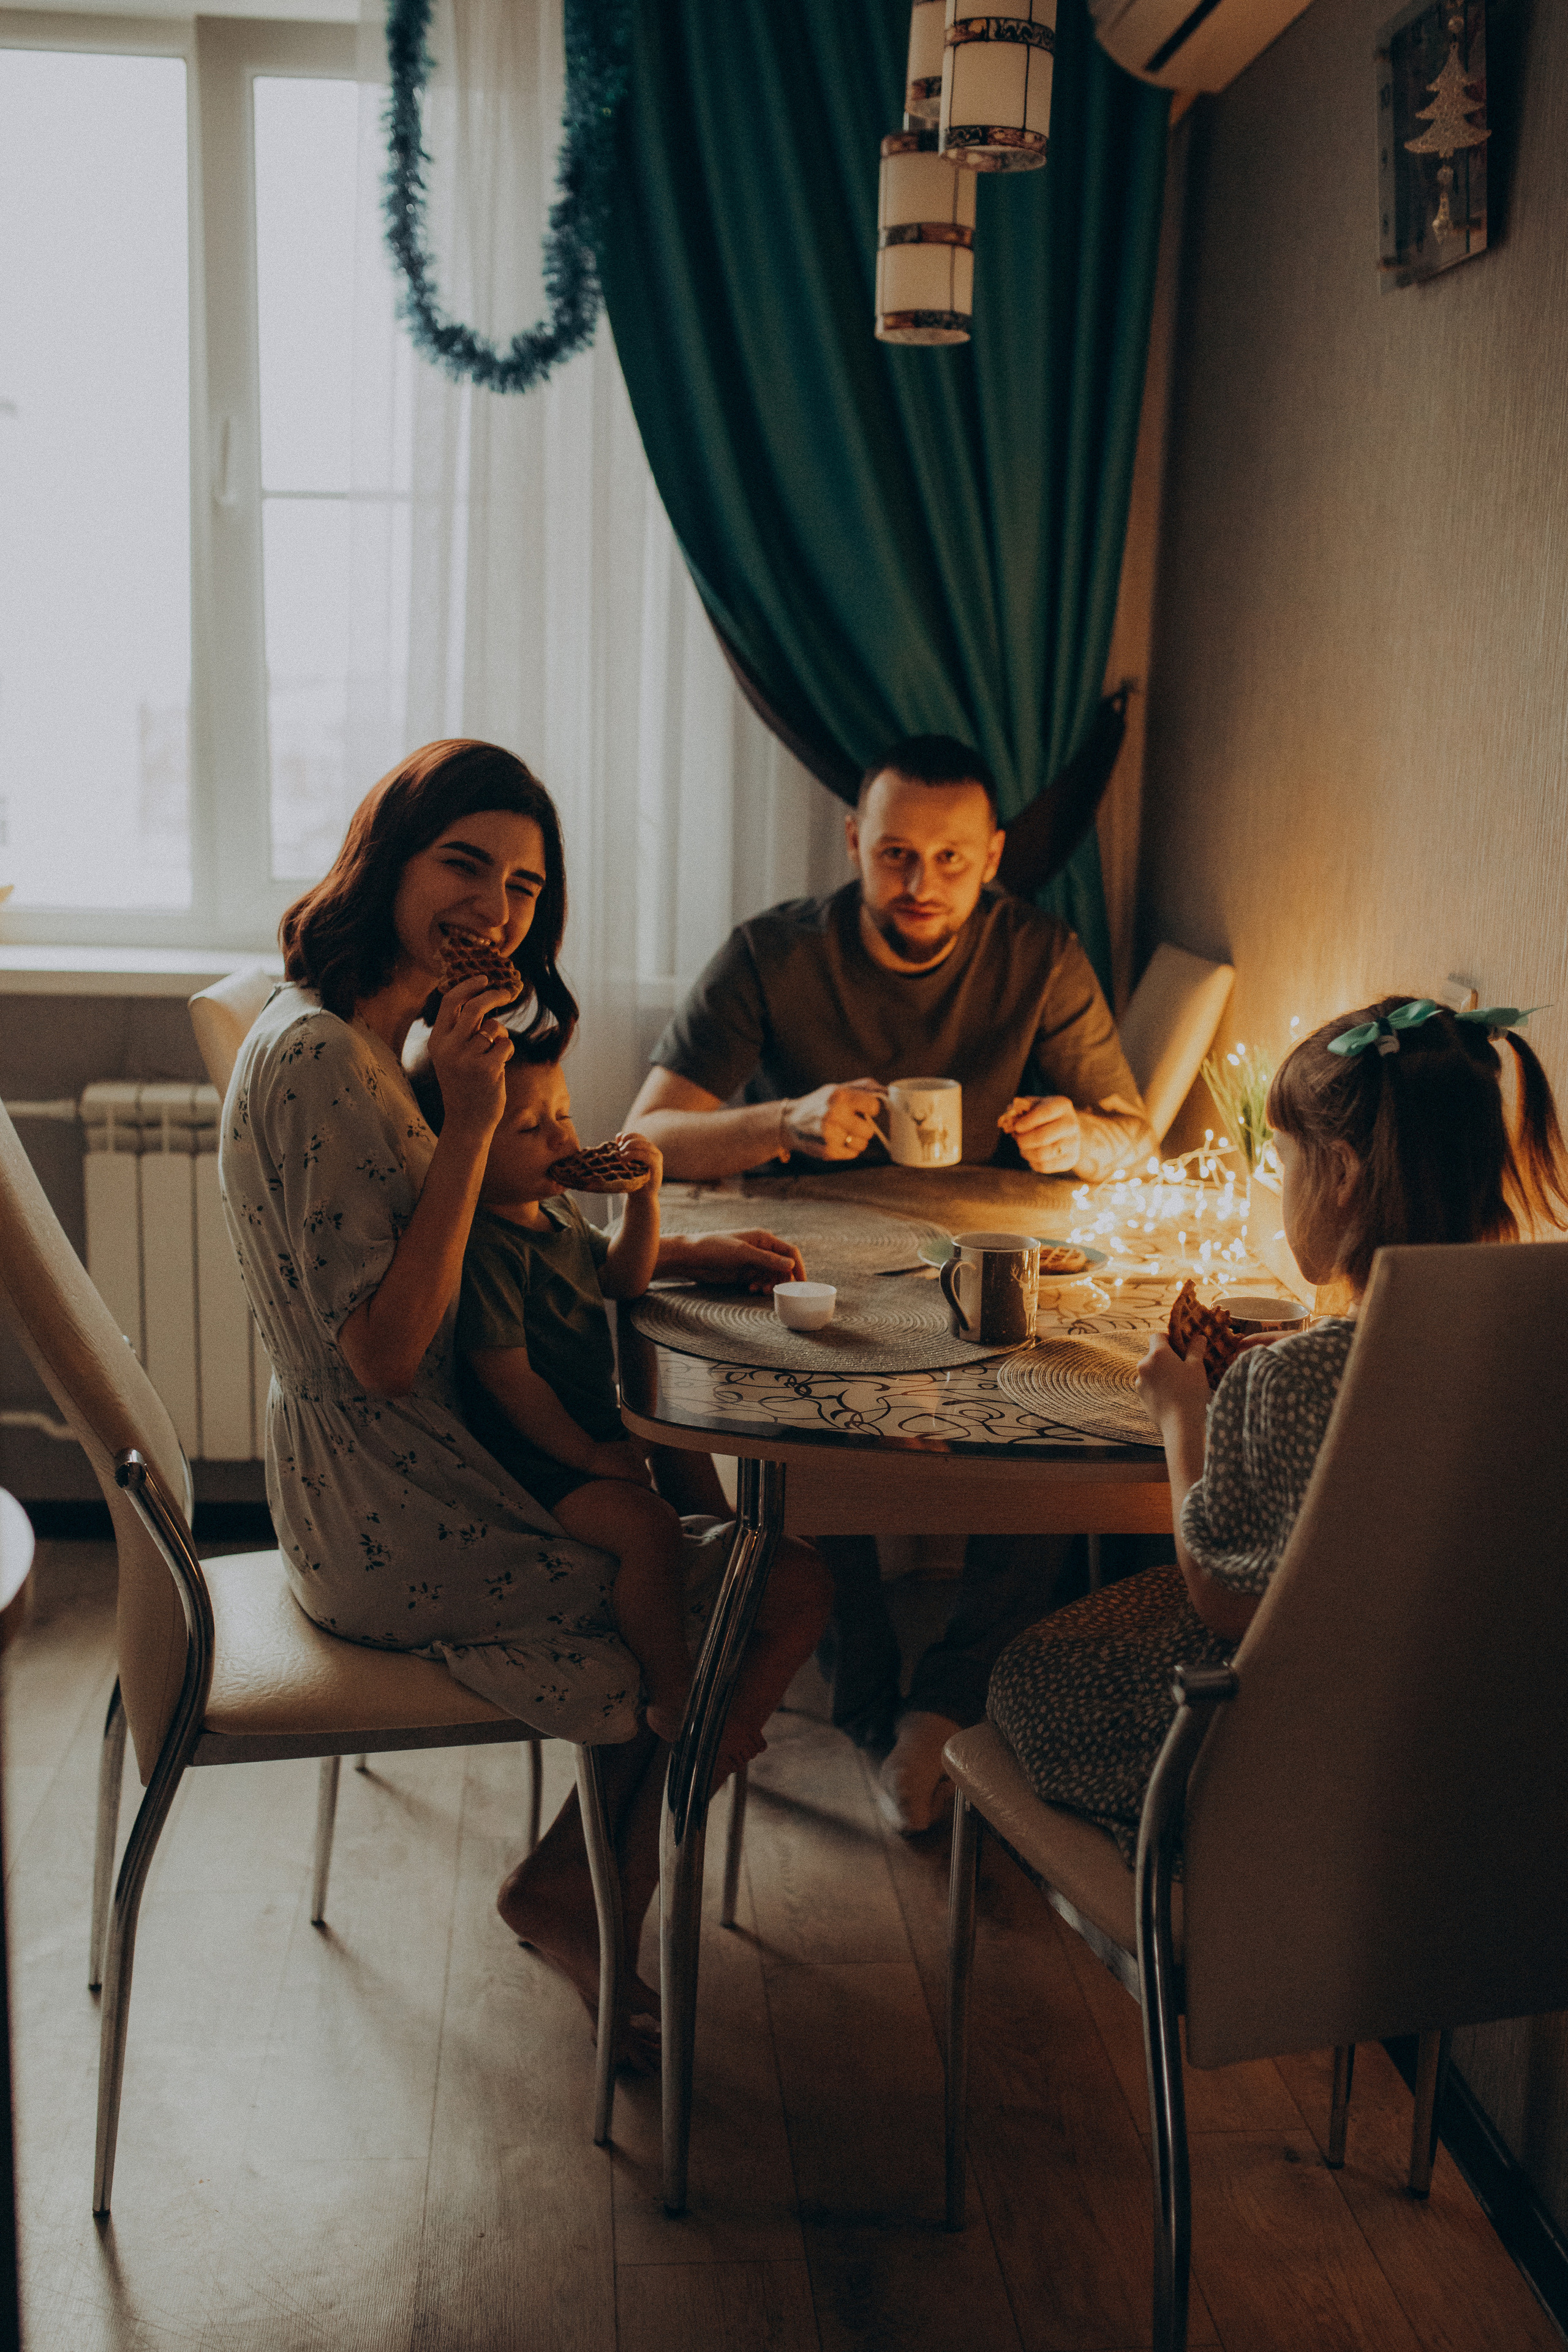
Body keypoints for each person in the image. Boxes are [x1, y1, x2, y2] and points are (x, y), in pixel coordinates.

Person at [221, 738, 828, 2063]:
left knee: (715, 1544)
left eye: (524, 886)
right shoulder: (326, 1058)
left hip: (405, 1470)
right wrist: (469, 1116)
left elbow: (481, 1239)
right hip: (388, 1508)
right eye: (464, 866)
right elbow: (388, 1355)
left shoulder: (373, 1034)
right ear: (388, 859)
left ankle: (593, 1865)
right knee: (766, 1589)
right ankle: (596, 1880)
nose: (494, 911)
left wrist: (674, 1249)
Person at [624, 733, 1158, 1831]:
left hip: (983, 1248)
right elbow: (648, 1136)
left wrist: (1078, 1135)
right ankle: (867, 1701)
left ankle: (949, 1699)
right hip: (814, 1256)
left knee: (1066, 1407)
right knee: (803, 1429)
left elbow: (1130, 1132)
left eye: (952, 859)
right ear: (854, 841)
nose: (922, 883)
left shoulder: (1040, 952)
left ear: (992, 855)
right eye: (896, 855)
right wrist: (786, 1121)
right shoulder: (773, 952)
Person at [987, 995, 1568, 1860]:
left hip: (1281, 1757)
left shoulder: (1291, 1376)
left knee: (1025, 1671)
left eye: (1280, 1159)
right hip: (1473, 1757)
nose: (1278, 1182)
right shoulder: (1530, 1349)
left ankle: (1160, 1894)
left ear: (1340, 1174)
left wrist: (1182, 1414)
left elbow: (1224, 1600)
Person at [453, 1047, 813, 1761]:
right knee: (648, 1529)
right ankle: (672, 1692)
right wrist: (590, 1455)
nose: (561, 1135)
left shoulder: (552, 1209)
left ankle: (727, 1631)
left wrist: (644, 1200)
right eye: (528, 1127)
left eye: (562, 1114)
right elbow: (510, 1382)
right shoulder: (485, 1248)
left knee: (684, 1440)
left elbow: (622, 1277)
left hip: (588, 1434)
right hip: (534, 1467)